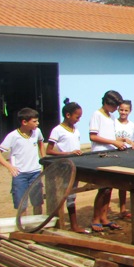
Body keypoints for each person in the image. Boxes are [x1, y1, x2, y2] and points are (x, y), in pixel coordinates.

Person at [0, 107, 46, 216]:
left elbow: (41, 142)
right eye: (34, 121)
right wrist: (9, 166)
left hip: (35, 172)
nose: (37, 123)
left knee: (37, 202)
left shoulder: (37, 132)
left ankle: (37, 227)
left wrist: (43, 159)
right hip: (20, 174)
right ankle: (24, 227)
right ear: (24, 122)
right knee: (22, 204)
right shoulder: (13, 136)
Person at [89, 90, 127, 232]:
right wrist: (113, 142)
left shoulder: (110, 117)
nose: (116, 109)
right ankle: (95, 218)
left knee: (109, 187)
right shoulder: (97, 115)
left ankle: (104, 217)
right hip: (100, 154)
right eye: (115, 106)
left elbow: (110, 136)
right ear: (107, 103)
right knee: (102, 188)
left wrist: (121, 141)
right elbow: (93, 136)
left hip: (110, 154)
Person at [46, 100, 85, 233]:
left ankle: (74, 225)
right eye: (77, 117)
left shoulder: (75, 130)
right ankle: (59, 223)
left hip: (75, 165)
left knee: (72, 195)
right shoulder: (57, 130)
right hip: (64, 167)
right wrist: (68, 153)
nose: (78, 120)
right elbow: (49, 150)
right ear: (68, 115)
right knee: (63, 194)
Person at [115, 100, 134, 220]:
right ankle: (122, 209)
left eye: (126, 110)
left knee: (129, 182)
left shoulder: (133, 125)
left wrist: (133, 144)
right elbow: (111, 138)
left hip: (129, 156)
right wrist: (124, 140)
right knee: (120, 183)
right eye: (121, 110)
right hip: (116, 154)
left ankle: (127, 209)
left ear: (130, 111)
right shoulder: (113, 123)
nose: (123, 112)